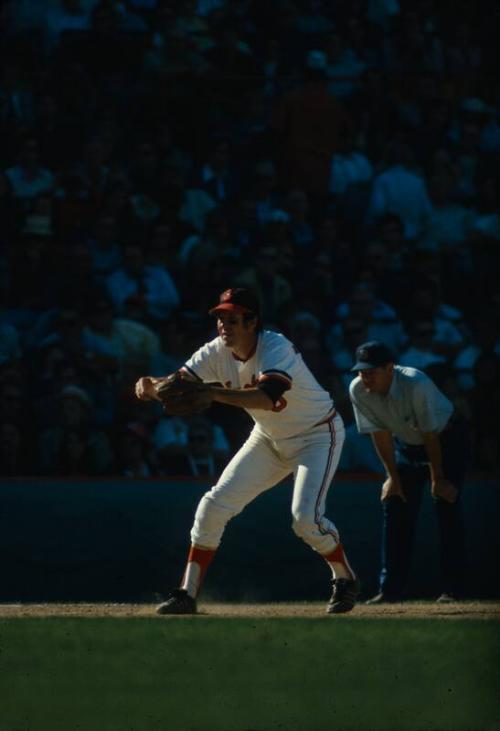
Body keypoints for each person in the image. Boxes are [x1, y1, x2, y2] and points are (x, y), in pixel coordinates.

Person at [135, 287, 359, 615]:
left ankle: (344, 577)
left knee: (305, 520)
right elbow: (178, 384)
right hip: (268, 437)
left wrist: (210, 393)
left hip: (317, 436)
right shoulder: (214, 352)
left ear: (252, 322)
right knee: (212, 506)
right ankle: (187, 593)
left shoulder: (275, 347)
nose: (223, 324)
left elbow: (265, 397)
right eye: (220, 318)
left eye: (232, 318)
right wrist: (150, 385)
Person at [348, 341, 470, 604]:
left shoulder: (416, 383)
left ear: (390, 368)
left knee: (446, 507)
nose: (365, 377)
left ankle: (452, 588)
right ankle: (390, 590)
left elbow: (430, 434)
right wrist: (392, 477)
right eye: (361, 371)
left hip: (446, 442)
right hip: (407, 445)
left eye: (371, 371)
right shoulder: (358, 389)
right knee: (395, 506)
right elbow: (379, 434)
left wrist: (438, 478)